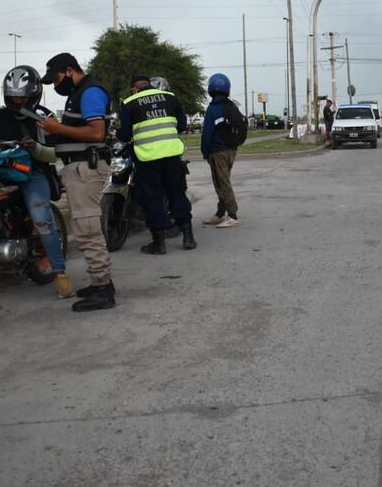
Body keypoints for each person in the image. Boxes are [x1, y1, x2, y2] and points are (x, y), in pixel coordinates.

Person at [0, 65, 73, 298]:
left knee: (41, 219)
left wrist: (36, 148)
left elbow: (58, 150)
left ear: (33, 94)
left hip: (33, 174)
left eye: (22, 96)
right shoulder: (1, 116)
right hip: (0, 171)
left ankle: (59, 272)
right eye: (13, 96)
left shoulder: (45, 117)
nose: (17, 101)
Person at [39, 53, 115, 312]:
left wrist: (57, 129)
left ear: (69, 70)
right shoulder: (80, 92)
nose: (55, 85)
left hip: (87, 167)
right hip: (80, 167)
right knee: (84, 228)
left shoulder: (90, 92)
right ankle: (99, 282)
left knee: (88, 227)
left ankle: (103, 289)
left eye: (57, 78)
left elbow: (96, 132)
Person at [117, 74, 195, 254]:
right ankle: (188, 238)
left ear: (134, 88)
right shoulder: (170, 97)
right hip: (172, 155)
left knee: (153, 198)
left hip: (147, 158)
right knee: (177, 193)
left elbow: (124, 134)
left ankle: (159, 243)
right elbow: (182, 125)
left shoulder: (129, 102)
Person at [201, 73, 240, 228]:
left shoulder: (213, 109)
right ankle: (219, 213)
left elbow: (207, 133)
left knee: (222, 183)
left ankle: (232, 214)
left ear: (210, 88)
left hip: (218, 151)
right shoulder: (231, 106)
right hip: (232, 150)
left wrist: (205, 151)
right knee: (223, 181)